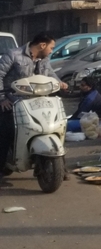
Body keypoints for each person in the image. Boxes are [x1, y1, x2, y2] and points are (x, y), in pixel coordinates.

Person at [0, 34, 67, 177]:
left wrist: (60, 83)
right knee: (6, 132)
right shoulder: (13, 55)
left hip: (38, 100)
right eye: (51, 47)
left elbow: (50, 72)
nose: (51, 51)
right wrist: (2, 98)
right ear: (42, 45)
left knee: (54, 126)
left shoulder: (44, 59)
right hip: (12, 99)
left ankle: (61, 166)